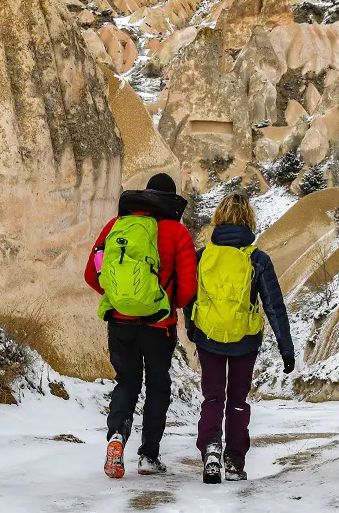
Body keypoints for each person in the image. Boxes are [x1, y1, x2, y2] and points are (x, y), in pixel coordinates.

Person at [85, 173, 197, 479]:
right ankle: (149, 456)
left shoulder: (115, 227)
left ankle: (117, 439)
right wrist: (161, 301)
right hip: (159, 326)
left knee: (127, 383)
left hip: (120, 323)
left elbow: (92, 274)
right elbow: (187, 290)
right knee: (157, 387)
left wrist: (121, 300)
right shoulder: (177, 233)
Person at [184, 192, 294, 484]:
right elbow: (273, 305)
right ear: (249, 220)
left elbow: (189, 297)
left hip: (209, 338)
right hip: (245, 340)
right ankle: (234, 461)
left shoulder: (203, 256)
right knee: (237, 400)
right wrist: (286, 348)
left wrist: (192, 328)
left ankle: (210, 451)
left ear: (218, 218)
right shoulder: (258, 259)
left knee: (212, 397)